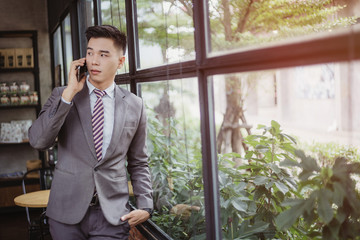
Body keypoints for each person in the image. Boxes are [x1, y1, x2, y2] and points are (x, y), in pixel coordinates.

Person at [29, 25, 153, 240]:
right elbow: (38, 141)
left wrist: (146, 205)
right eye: (89, 53)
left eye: (103, 55)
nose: (94, 61)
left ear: (120, 62)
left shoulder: (135, 105)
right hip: (66, 213)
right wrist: (69, 94)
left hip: (112, 216)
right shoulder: (63, 95)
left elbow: (139, 162)